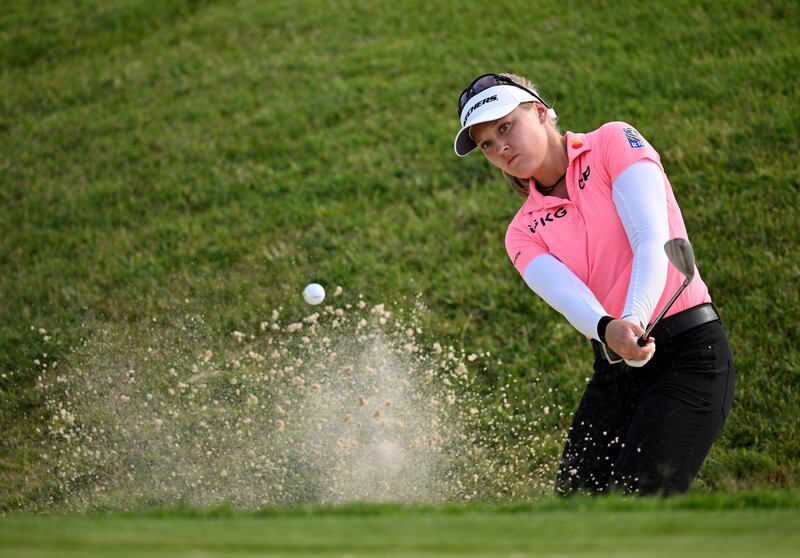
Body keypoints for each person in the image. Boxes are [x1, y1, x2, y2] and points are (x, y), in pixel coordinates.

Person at [453, 73, 735, 496]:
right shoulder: (523, 230)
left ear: (541, 111)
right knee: (575, 510)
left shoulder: (612, 142)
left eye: (505, 126)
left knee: (635, 504)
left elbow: (651, 239)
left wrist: (633, 321)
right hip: (614, 370)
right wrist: (608, 330)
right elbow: (569, 297)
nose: (500, 148)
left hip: (688, 355)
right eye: (487, 144)